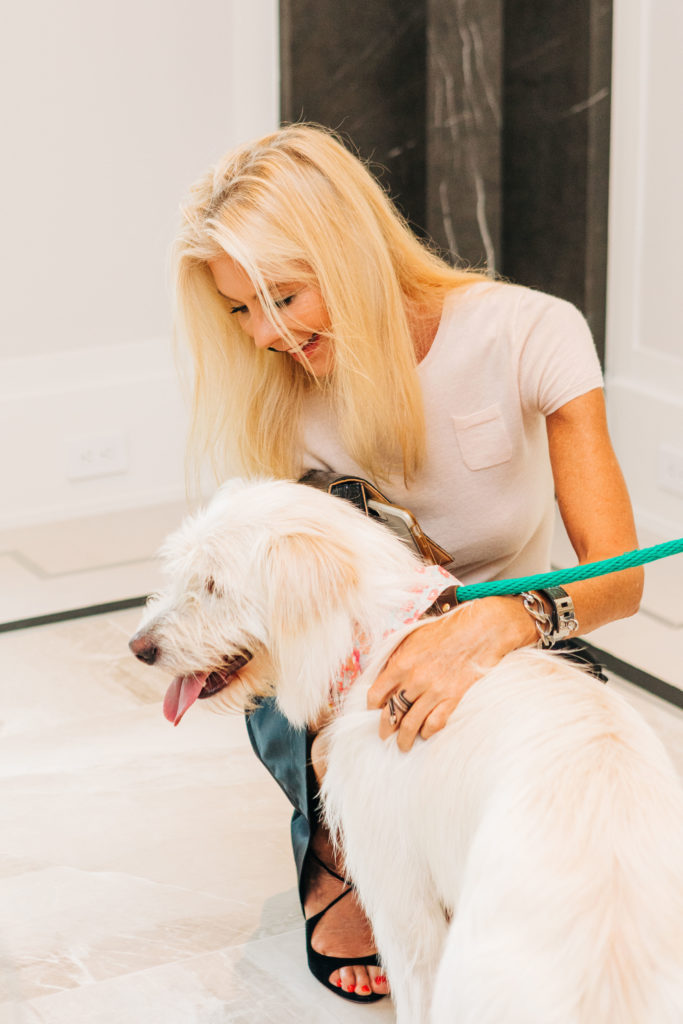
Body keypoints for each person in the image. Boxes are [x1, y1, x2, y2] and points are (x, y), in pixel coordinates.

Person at [172, 123, 643, 1003]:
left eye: (281, 295)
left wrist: (505, 620)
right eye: (238, 310)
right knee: (299, 692)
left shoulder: (531, 332)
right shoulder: (284, 397)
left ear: (347, 251)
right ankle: (334, 855)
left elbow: (618, 575)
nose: (264, 334)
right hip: (359, 655)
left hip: (516, 633)